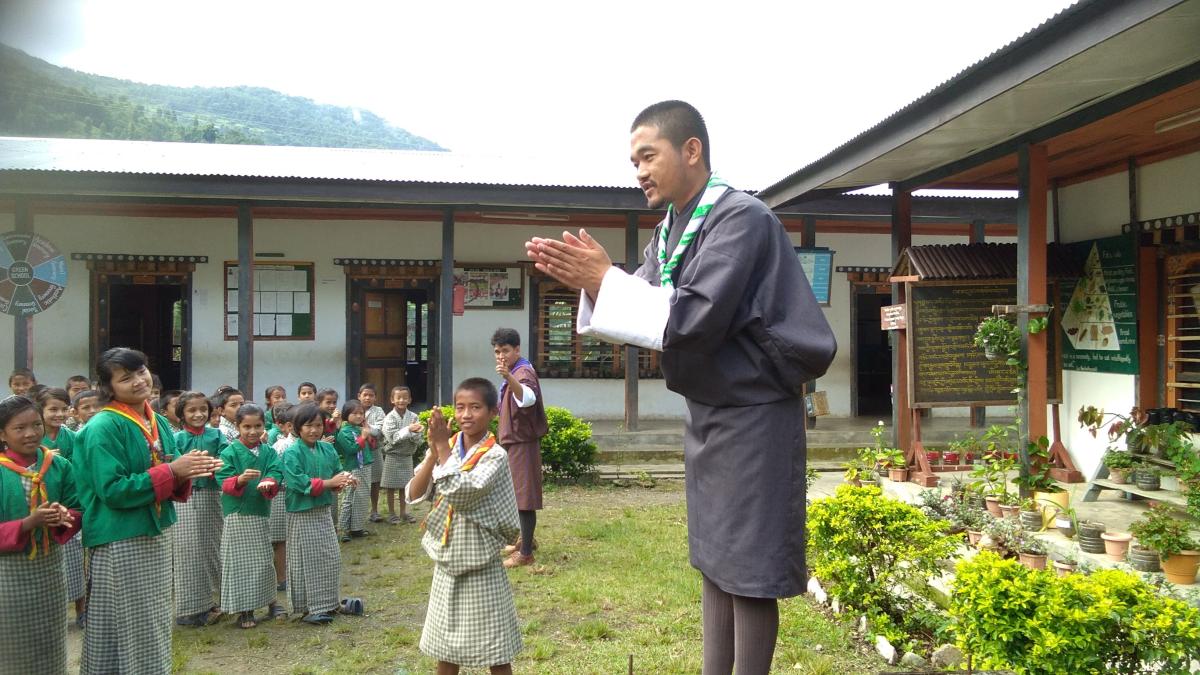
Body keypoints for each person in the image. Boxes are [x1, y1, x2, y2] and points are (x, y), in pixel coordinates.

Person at [525, 100, 837, 674]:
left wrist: (604, 279)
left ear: (691, 150)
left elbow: (693, 318)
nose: (639, 171)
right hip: (710, 412)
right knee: (716, 562)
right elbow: (642, 304)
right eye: (633, 161)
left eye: (649, 155)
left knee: (751, 571)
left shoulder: (739, 217)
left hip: (755, 413)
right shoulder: (670, 232)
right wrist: (597, 283)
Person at [75, 347, 223, 674]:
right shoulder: (103, 426)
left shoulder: (155, 419)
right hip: (121, 535)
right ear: (108, 387)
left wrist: (189, 469)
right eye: (125, 378)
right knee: (138, 623)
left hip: (155, 529)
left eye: (140, 371)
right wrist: (174, 472)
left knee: (140, 619)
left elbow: (168, 465)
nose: (138, 381)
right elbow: (111, 489)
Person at [406, 378, 521, 674]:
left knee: (496, 649)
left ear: (493, 412)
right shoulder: (449, 446)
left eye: (475, 407)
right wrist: (434, 451)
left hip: (481, 561)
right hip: (448, 559)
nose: (466, 414)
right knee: (446, 648)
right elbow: (415, 493)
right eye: (460, 407)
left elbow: (463, 490)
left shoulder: (495, 455)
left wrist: (443, 447)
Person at [0, 395, 81, 674]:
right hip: (8, 573)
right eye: (19, 428)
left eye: (36, 425)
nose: (31, 433)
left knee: (50, 641)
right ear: (2, 433)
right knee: (11, 643)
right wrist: (27, 523)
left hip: (49, 569)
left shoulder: (58, 466)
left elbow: (77, 506)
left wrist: (64, 516)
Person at [282, 402, 354, 625]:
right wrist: (331, 482)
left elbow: (335, 473)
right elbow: (298, 482)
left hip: (323, 510)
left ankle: (330, 603)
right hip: (302, 513)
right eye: (308, 426)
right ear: (297, 428)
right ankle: (309, 608)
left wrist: (346, 479)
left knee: (330, 558)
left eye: (318, 425)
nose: (314, 430)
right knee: (307, 560)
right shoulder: (291, 452)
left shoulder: (327, 448)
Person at [216, 403, 285, 628]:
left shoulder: (268, 451)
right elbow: (223, 479)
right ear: (237, 426)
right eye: (247, 426)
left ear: (264, 426)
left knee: (264, 560)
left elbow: (276, 470)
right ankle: (245, 609)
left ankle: (270, 601)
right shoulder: (229, 452)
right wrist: (240, 480)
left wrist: (270, 481)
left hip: (260, 512)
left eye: (257, 426)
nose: (253, 431)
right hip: (238, 514)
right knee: (239, 563)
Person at [490, 328, 547, 568]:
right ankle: (526, 540)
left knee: (524, 497)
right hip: (514, 441)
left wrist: (507, 377)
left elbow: (528, 399)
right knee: (517, 494)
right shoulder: (514, 371)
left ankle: (525, 554)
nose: (500, 356)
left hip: (523, 442)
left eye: (505, 351)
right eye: (496, 351)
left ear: (517, 350)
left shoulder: (522, 372)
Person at [172, 391, 228, 627]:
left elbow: (227, 459)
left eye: (203, 410)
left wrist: (217, 465)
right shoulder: (176, 439)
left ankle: (211, 602)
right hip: (184, 499)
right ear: (181, 414)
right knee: (187, 552)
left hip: (211, 495)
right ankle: (188, 609)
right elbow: (171, 465)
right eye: (192, 410)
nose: (198, 414)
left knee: (212, 548)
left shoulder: (217, 435)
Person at [36, 387, 87, 625]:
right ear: (40, 411)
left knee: (75, 558)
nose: (58, 414)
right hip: (39, 498)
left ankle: (81, 609)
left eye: (63, 409)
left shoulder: (72, 436)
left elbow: (80, 462)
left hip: (67, 496)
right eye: (52, 409)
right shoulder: (36, 437)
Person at [334, 399, 375, 541]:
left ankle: (357, 527)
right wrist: (363, 437)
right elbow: (351, 449)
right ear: (346, 415)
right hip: (354, 467)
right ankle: (344, 529)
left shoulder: (359, 429)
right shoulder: (343, 432)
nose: (359, 416)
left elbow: (372, 446)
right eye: (355, 413)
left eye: (361, 413)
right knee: (350, 498)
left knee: (362, 498)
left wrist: (367, 434)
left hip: (365, 466)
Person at [380, 385, 422, 524]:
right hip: (393, 456)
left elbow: (419, 438)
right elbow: (392, 438)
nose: (402, 400)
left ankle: (404, 512)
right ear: (392, 400)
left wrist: (415, 433)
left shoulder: (414, 416)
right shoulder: (389, 418)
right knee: (391, 487)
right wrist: (409, 430)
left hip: (407, 456)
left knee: (405, 486)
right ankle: (392, 513)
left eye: (405, 397)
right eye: (398, 398)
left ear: (409, 400)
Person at [269, 402, 297, 591]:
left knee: (291, 537)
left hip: (295, 496)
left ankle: (290, 573)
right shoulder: (281, 446)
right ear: (287, 426)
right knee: (280, 538)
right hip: (280, 494)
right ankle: (281, 577)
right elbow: (275, 472)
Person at [358, 383, 386, 523]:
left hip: (374, 450)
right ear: (359, 396)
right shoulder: (353, 409)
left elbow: (380, 431)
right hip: (358, 451)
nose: (368, 398)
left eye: (371, 395)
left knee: (375, 482)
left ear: (375, 398)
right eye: (365, 395)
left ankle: (374, 510)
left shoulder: (378, 411)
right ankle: (359, 512)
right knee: (359, 482)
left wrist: (367, 428)